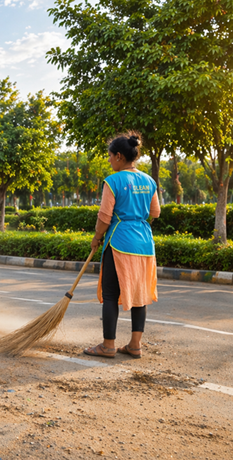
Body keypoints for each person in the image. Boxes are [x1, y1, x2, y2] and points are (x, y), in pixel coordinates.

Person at [84, 133, 160, 359]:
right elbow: (155, 212)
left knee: (110, 294)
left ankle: (108, 345)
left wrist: (97, 237)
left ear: (118, 156)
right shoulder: (149, 181)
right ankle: (135, 345)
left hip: (119, 242)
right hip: (145, 244)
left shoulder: (113, 181)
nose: (109, 161)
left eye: (109, 156)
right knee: (141, 294)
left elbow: (104, 216)